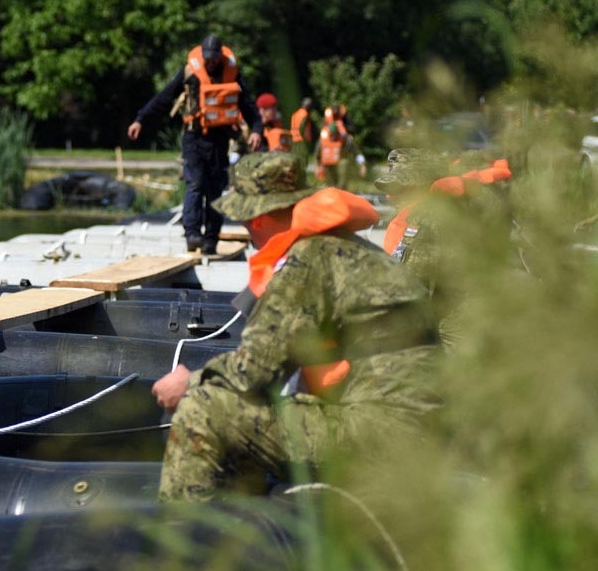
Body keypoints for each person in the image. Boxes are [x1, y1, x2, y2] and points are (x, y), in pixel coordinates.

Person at [153, 152, 440, 501]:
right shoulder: (347, 247)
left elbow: (252, 372)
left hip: (380, 435)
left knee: (202, 407)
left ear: (255, 218)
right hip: (418, 430)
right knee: (248, 414)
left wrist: (188, 382)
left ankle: (181, 538)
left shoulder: (307, 261)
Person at [127, 34, 262, 255]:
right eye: (207, 58)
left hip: (219, 139)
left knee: (216, 191)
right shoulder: (191, 72)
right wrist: (140, 119)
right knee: (195, 185)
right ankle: (192, 234)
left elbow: (248, 106)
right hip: (194, 138)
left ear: (220, 57)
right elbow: (164, 97)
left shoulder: (232, 74)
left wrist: (256, 130)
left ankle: (211, 239)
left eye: (214, 59)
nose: (210, 63)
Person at [377, 148, 513, 348]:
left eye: (398, 188)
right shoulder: (464, 205)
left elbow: (408, 290)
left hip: (456, 336)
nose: (391, 197)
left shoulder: (425, 222)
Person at [312, 106, 366, 187]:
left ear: (338, 133)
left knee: (344, 163)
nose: (333, 137)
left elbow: (357, 153)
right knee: (330, 185)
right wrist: (317, 167)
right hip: (328, 167)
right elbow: (316, 156)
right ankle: (330, 189)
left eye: (335, 135)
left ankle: (342, 190)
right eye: (331, 135)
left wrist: (362, 165)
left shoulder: (346, 140)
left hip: (340, 168)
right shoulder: (322, 140)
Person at [289, 96, 315, 168]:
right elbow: (303, 128)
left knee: (296, 160)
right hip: (301, 140)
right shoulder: (305, 114)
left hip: (294, 140)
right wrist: (307, 140)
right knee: (303, 162)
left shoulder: (295, 114)